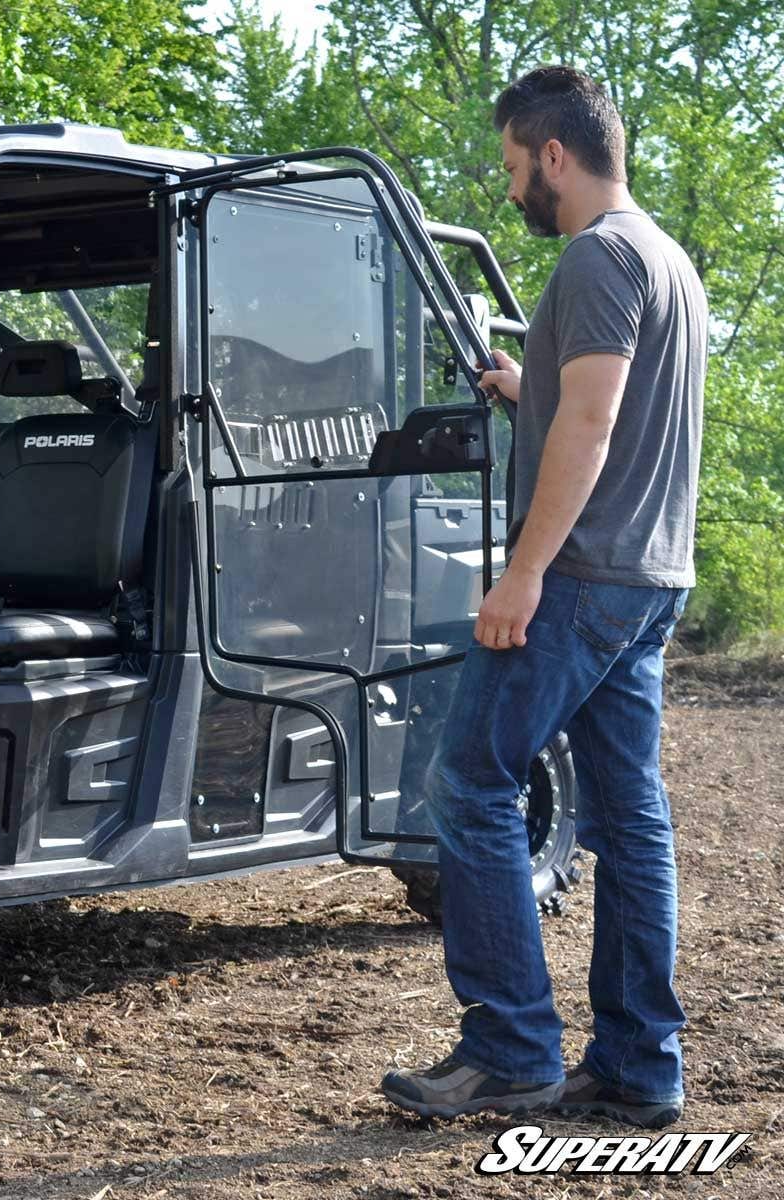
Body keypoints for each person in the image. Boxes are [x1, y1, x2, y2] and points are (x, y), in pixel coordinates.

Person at [379, 65, 706, 1129]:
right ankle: (636, 1070)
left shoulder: (597, 257)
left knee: (471, 784)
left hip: (577, 579)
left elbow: (594, 425)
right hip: (650, 577)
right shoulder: (665, 260)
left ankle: (509, 1045)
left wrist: (520, 571)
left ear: (553, 155)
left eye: (514, 167)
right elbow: (596, 403)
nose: (511, 187)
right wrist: (528, 386)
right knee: (630, 823)